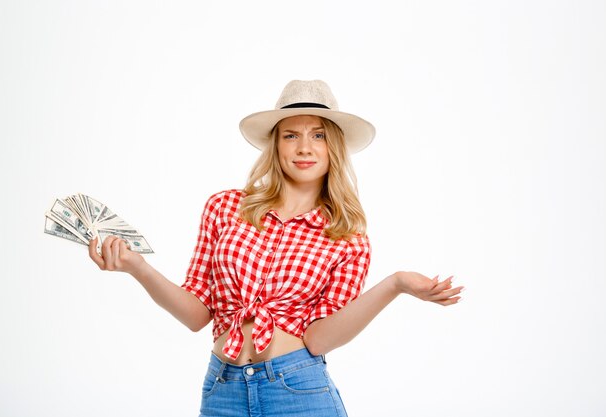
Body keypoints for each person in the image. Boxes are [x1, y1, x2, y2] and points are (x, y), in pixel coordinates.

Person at [88, 80, 463, 417]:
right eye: (290, 136)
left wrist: (395, 284)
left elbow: (318, 339)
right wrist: (138, 268)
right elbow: (197, 314)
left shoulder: (347, 237)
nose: (303, 148)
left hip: (297, 390)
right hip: (222, 391)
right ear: (275, 144)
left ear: (334, 147)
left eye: (318, 136)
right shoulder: (224, 207)